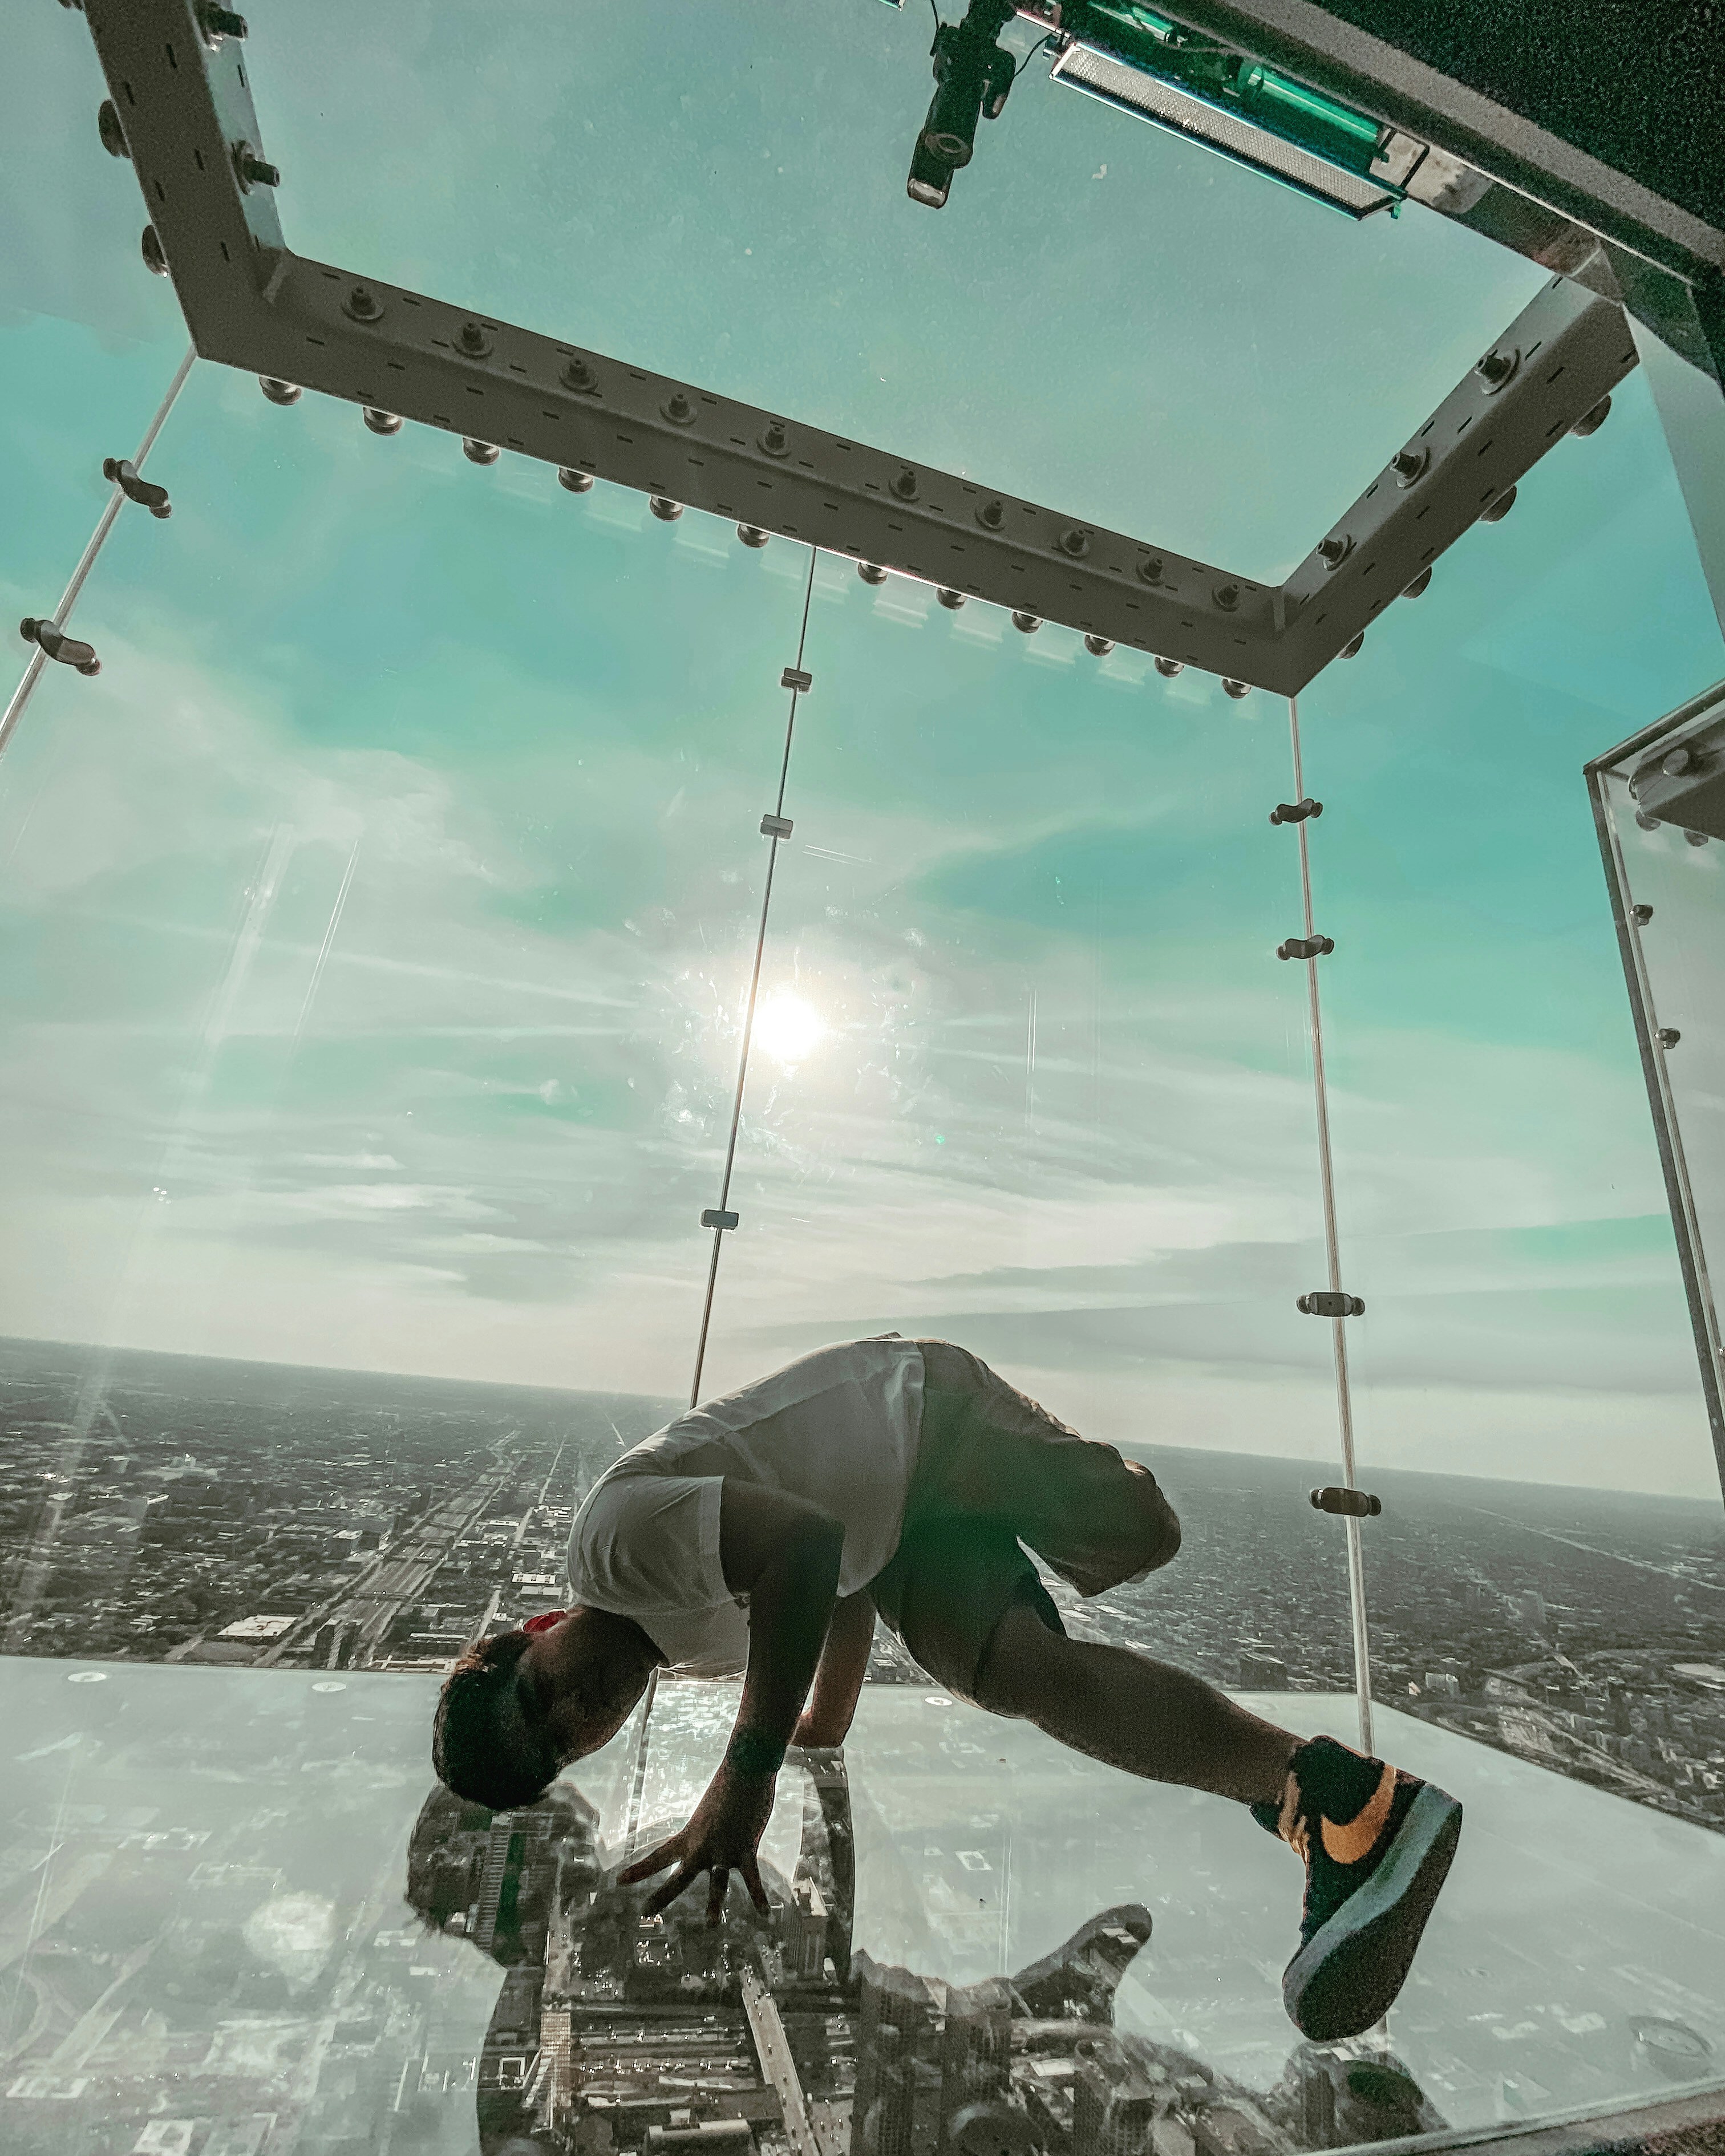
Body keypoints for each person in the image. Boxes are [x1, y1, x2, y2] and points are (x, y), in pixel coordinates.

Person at [432, 1336, 1461, 2042]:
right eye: (567, 1743)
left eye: (541, 1698)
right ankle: (1336, 1805)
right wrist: (822, 1731)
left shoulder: (608, 1551)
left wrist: (745, 1780)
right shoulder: (678, 1648)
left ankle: (1131, 1513)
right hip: (895, 1533)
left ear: (527, 1636)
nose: (579, 1715)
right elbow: (831, 1588)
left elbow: (799, 1547)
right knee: (1020, 1678)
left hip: (916, 1420)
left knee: (1139, 1532)